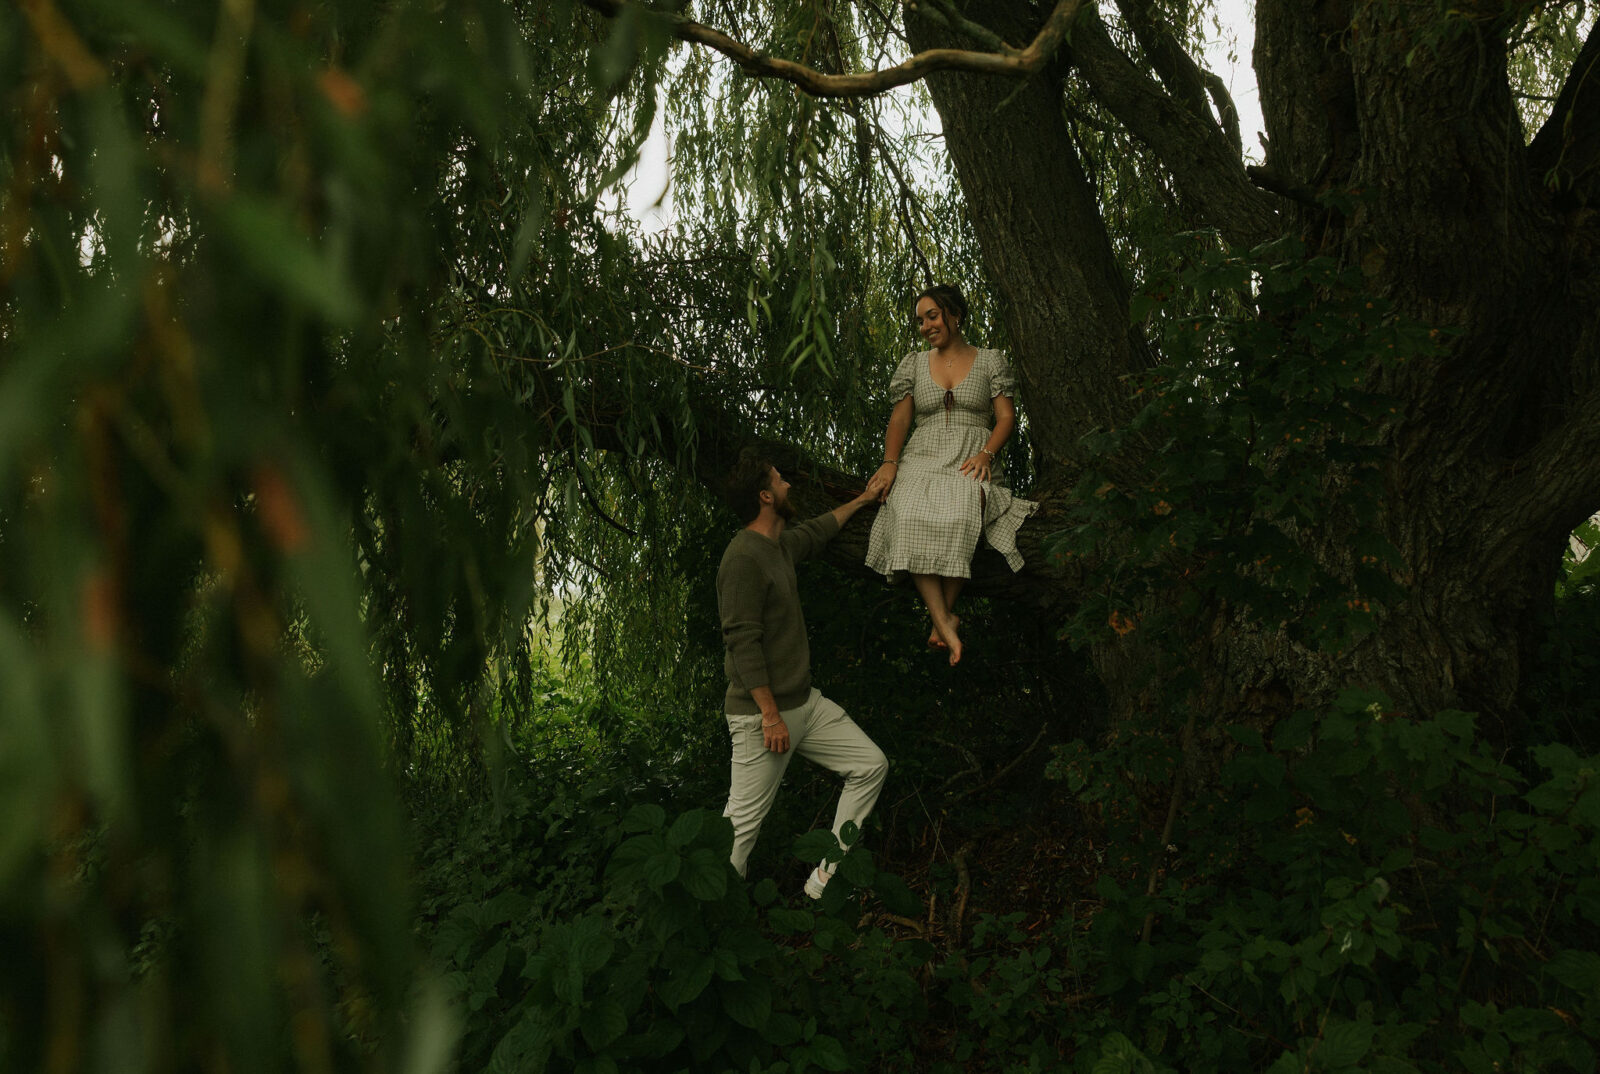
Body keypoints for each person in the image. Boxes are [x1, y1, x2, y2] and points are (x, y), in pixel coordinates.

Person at [718, 452, 891, 898]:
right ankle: (708, 922)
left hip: (805, 704)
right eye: (779, 479)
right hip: (763, 716)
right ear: (765, 496)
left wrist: (864, 499)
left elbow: (817, 532)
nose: (788, 485)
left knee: (870, 765)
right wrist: (770, 715)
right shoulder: (742, 559)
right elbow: (742, 641)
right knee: (738, 833)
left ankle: (822, 884)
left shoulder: (778, 547)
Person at [865, 284, 1039, 665]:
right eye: (920, 320)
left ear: (955, 314)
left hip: (971, 455)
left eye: (933, 315)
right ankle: (944, 619)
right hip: (922, 455)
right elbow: (901, 417)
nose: (926, 326)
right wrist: (890, 461)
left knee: (964, 513)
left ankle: (941, 617)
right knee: (906, 512)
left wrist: (987, 454)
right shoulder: (913, 363)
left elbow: (1007, 418)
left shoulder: (990, 361)